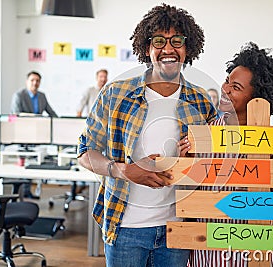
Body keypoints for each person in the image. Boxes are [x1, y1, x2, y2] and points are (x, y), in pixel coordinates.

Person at [77, 4, 217, 267]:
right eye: (159, 41)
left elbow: (216, 159)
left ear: (188, 48)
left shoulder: (201, 101)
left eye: (177, 40)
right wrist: (123, 170)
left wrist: (195, 155)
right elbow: (85, 153)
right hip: (125, 228)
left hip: (177, 229)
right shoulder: (114, 94)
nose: (168, 49)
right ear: (146, 48)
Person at [179, 42, 273, 267]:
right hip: (205, 254)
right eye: (227, 81)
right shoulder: (202, 135)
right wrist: (183, 161)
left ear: (257, 98)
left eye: (235, 87)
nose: (225, 89)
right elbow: (186, 196)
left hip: (253, 256)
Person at [10, 71, 57, 199]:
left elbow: (50, 111)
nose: (35, 83)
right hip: (22, 134)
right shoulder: (19, 95)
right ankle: (18, 193)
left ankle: (27, 191)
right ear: (27, 81)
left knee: (33, 162)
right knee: (23, 162)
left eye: (37, 80)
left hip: (37, 135)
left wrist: (59, 123)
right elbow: (16, 115)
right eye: (32, 80)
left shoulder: (42, 96)